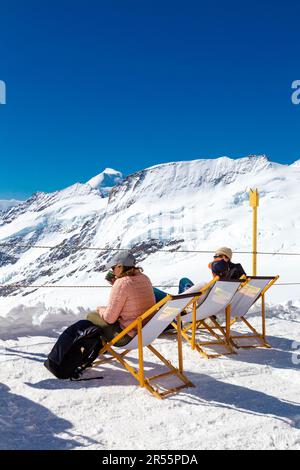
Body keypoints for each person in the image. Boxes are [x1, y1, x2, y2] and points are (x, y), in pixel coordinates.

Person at [87, 251, 156, 346]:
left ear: (120, 266)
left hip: (128, 336)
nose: (112, 271)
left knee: (92, 315)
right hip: (147, 333)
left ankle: (98, 348)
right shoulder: (145, 278)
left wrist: (100, 309)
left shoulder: (121, 283)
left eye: (113, 268)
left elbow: (109, 319)